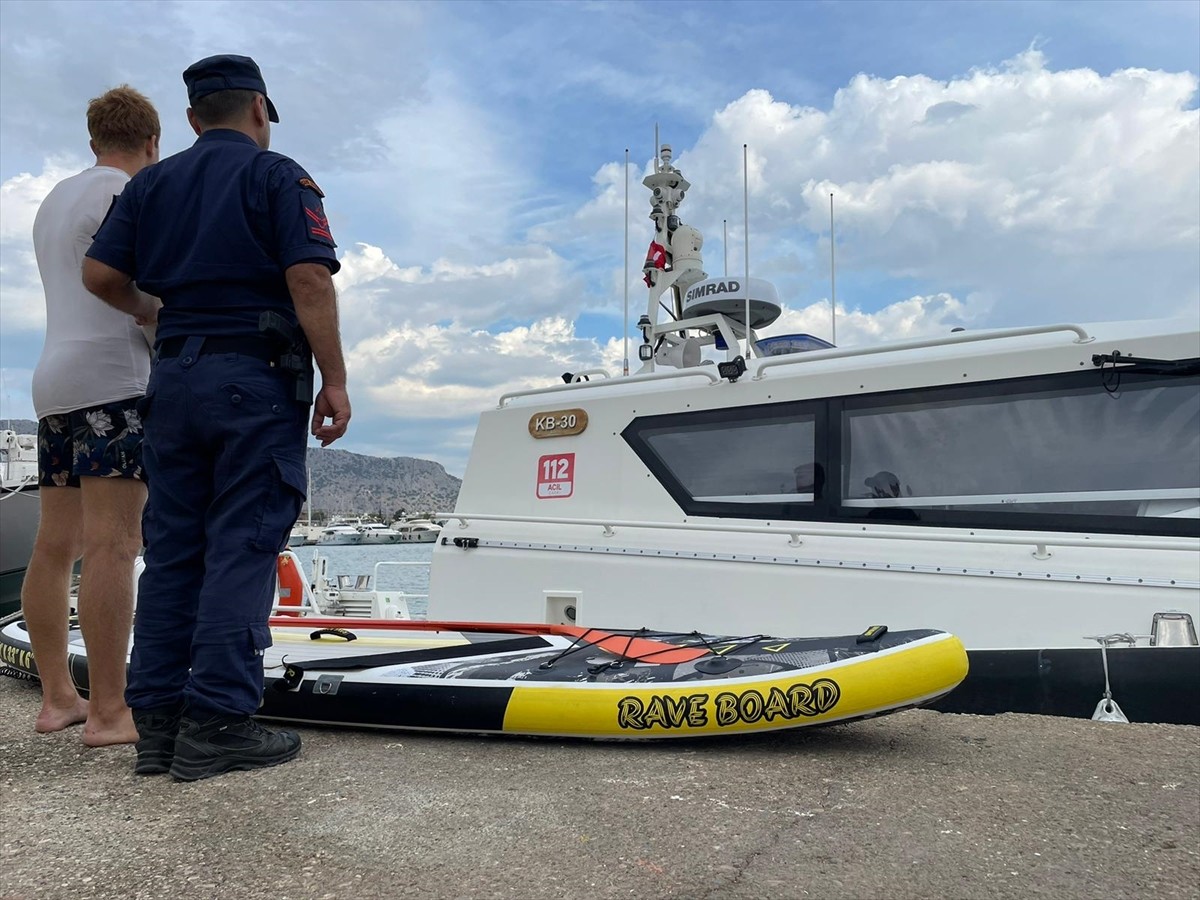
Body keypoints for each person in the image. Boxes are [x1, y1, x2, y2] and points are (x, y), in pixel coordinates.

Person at [82, 54, 351, 781]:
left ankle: (161, 728)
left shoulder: (153, 184)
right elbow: (307, 277)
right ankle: (220, 722)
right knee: (243, 542)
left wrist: (154, 311)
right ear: (259, 110)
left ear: (195, 119)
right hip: (254, 381)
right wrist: (335, 379)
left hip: (174, 381)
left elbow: (100, 274)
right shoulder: (278, 176)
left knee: (174, 552)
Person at [23, 86, 161, 746]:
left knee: (57, 545)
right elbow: (144, 290)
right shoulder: (125, 194)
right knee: (115, 542)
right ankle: (110, 711)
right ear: (153, 143)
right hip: (113, 375)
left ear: (93, 140)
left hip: (52, 380)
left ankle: (59, 699)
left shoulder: (53, 201)